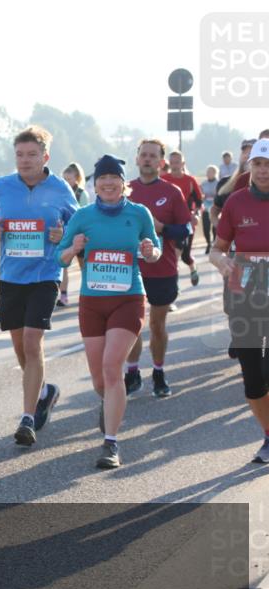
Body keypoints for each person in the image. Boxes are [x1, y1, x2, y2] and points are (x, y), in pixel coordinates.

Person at [58, 156, 161, 469]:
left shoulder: (139, 213)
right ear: (94, 184)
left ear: (123, 182)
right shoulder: (82, 216)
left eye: (113, 178)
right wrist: (74, 248)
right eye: (102, 179)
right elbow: (60, 259)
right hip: (92, 302)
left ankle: (111, 445)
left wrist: (149, 251)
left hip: (128, 298)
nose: (107, 183)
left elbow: (154, 251)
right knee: (100, 378)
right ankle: (108, 404)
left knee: (112, 366)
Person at [0, 126, 78, 446]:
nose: (25, 160)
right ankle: (45, 391)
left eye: (32, 155)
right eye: (19, 155)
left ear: (45, 156)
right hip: (11, 276)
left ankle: (27, 417)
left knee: (33, 342)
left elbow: (77, 226)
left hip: (45, 274)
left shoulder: (61, 188)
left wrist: (61, 237)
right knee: (21, 346)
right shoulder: (3, 186)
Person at [209, 138, 269, 465]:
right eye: (259, 164)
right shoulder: (236, 202)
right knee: (253, 379)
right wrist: (221, 260)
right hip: (244, 297)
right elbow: (217, 247)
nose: (264, 170)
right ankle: (268, 434)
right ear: (250, 167)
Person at [124, 139, 192, 398]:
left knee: (157, 324)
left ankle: (159, 372)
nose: (148, 159)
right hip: (131, 269)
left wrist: (161, 227)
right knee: (131, 325)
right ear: (137, 159)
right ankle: (132, 372)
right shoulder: (125, 190)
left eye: (153, 156)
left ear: (161, 162)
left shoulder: (172, 191)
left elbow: (185, 229)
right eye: (144, 155)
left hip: (162, 269)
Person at [160, 150, 203, 286]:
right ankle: (173, 290)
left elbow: (199, 202)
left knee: (183, 256)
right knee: (173, 256)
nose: (174, 165)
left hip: (185, 223)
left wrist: (196, 215)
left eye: (177, 162)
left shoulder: (190, 181)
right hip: (169, 224)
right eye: (172, 162)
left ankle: (192, 268)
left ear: (183, 163)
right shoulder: (164, 179)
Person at [58, 162, 90, 307]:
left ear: (76, 179)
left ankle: (86, 292)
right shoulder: (60, 194)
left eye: (69, 179)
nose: (67, 182)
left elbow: (85, 214)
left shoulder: (82, 194)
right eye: (64, 179)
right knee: (62, 265)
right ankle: (63, 295)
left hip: (80, 236)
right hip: (65, 235)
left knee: (84, 266)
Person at [201, 165, 220, 254]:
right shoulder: (203, 183)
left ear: (215, 173)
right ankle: (208, 243)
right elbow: (200, 195)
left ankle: (214, 244)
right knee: (206, 227)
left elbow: (220, 195)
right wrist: (202, 197)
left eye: (211, 172)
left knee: (215, 227)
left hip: (216, 207)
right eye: (207, 172)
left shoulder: (218, 183)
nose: (208, 174)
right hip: (205, 207)